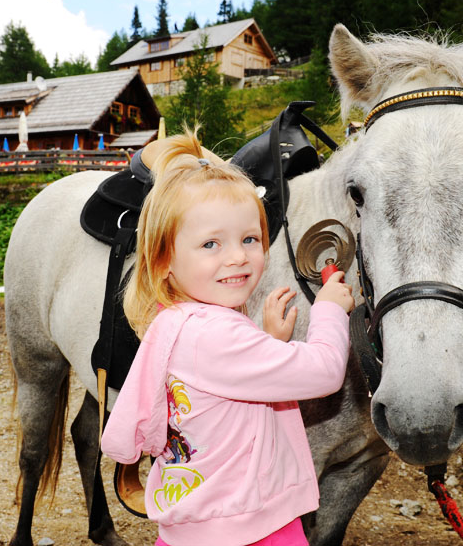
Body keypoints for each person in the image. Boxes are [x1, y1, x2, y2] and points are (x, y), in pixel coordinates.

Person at [101, 131, 356, 546]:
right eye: (211, 244)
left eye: (249, 239)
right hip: (250, 527)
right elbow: (325, 371)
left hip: (201, 523)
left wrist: (269, 341)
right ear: (164, 261)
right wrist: (329, 309)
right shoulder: (215, 335)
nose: (237, 256)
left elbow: (227, 389)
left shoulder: (178, 320)